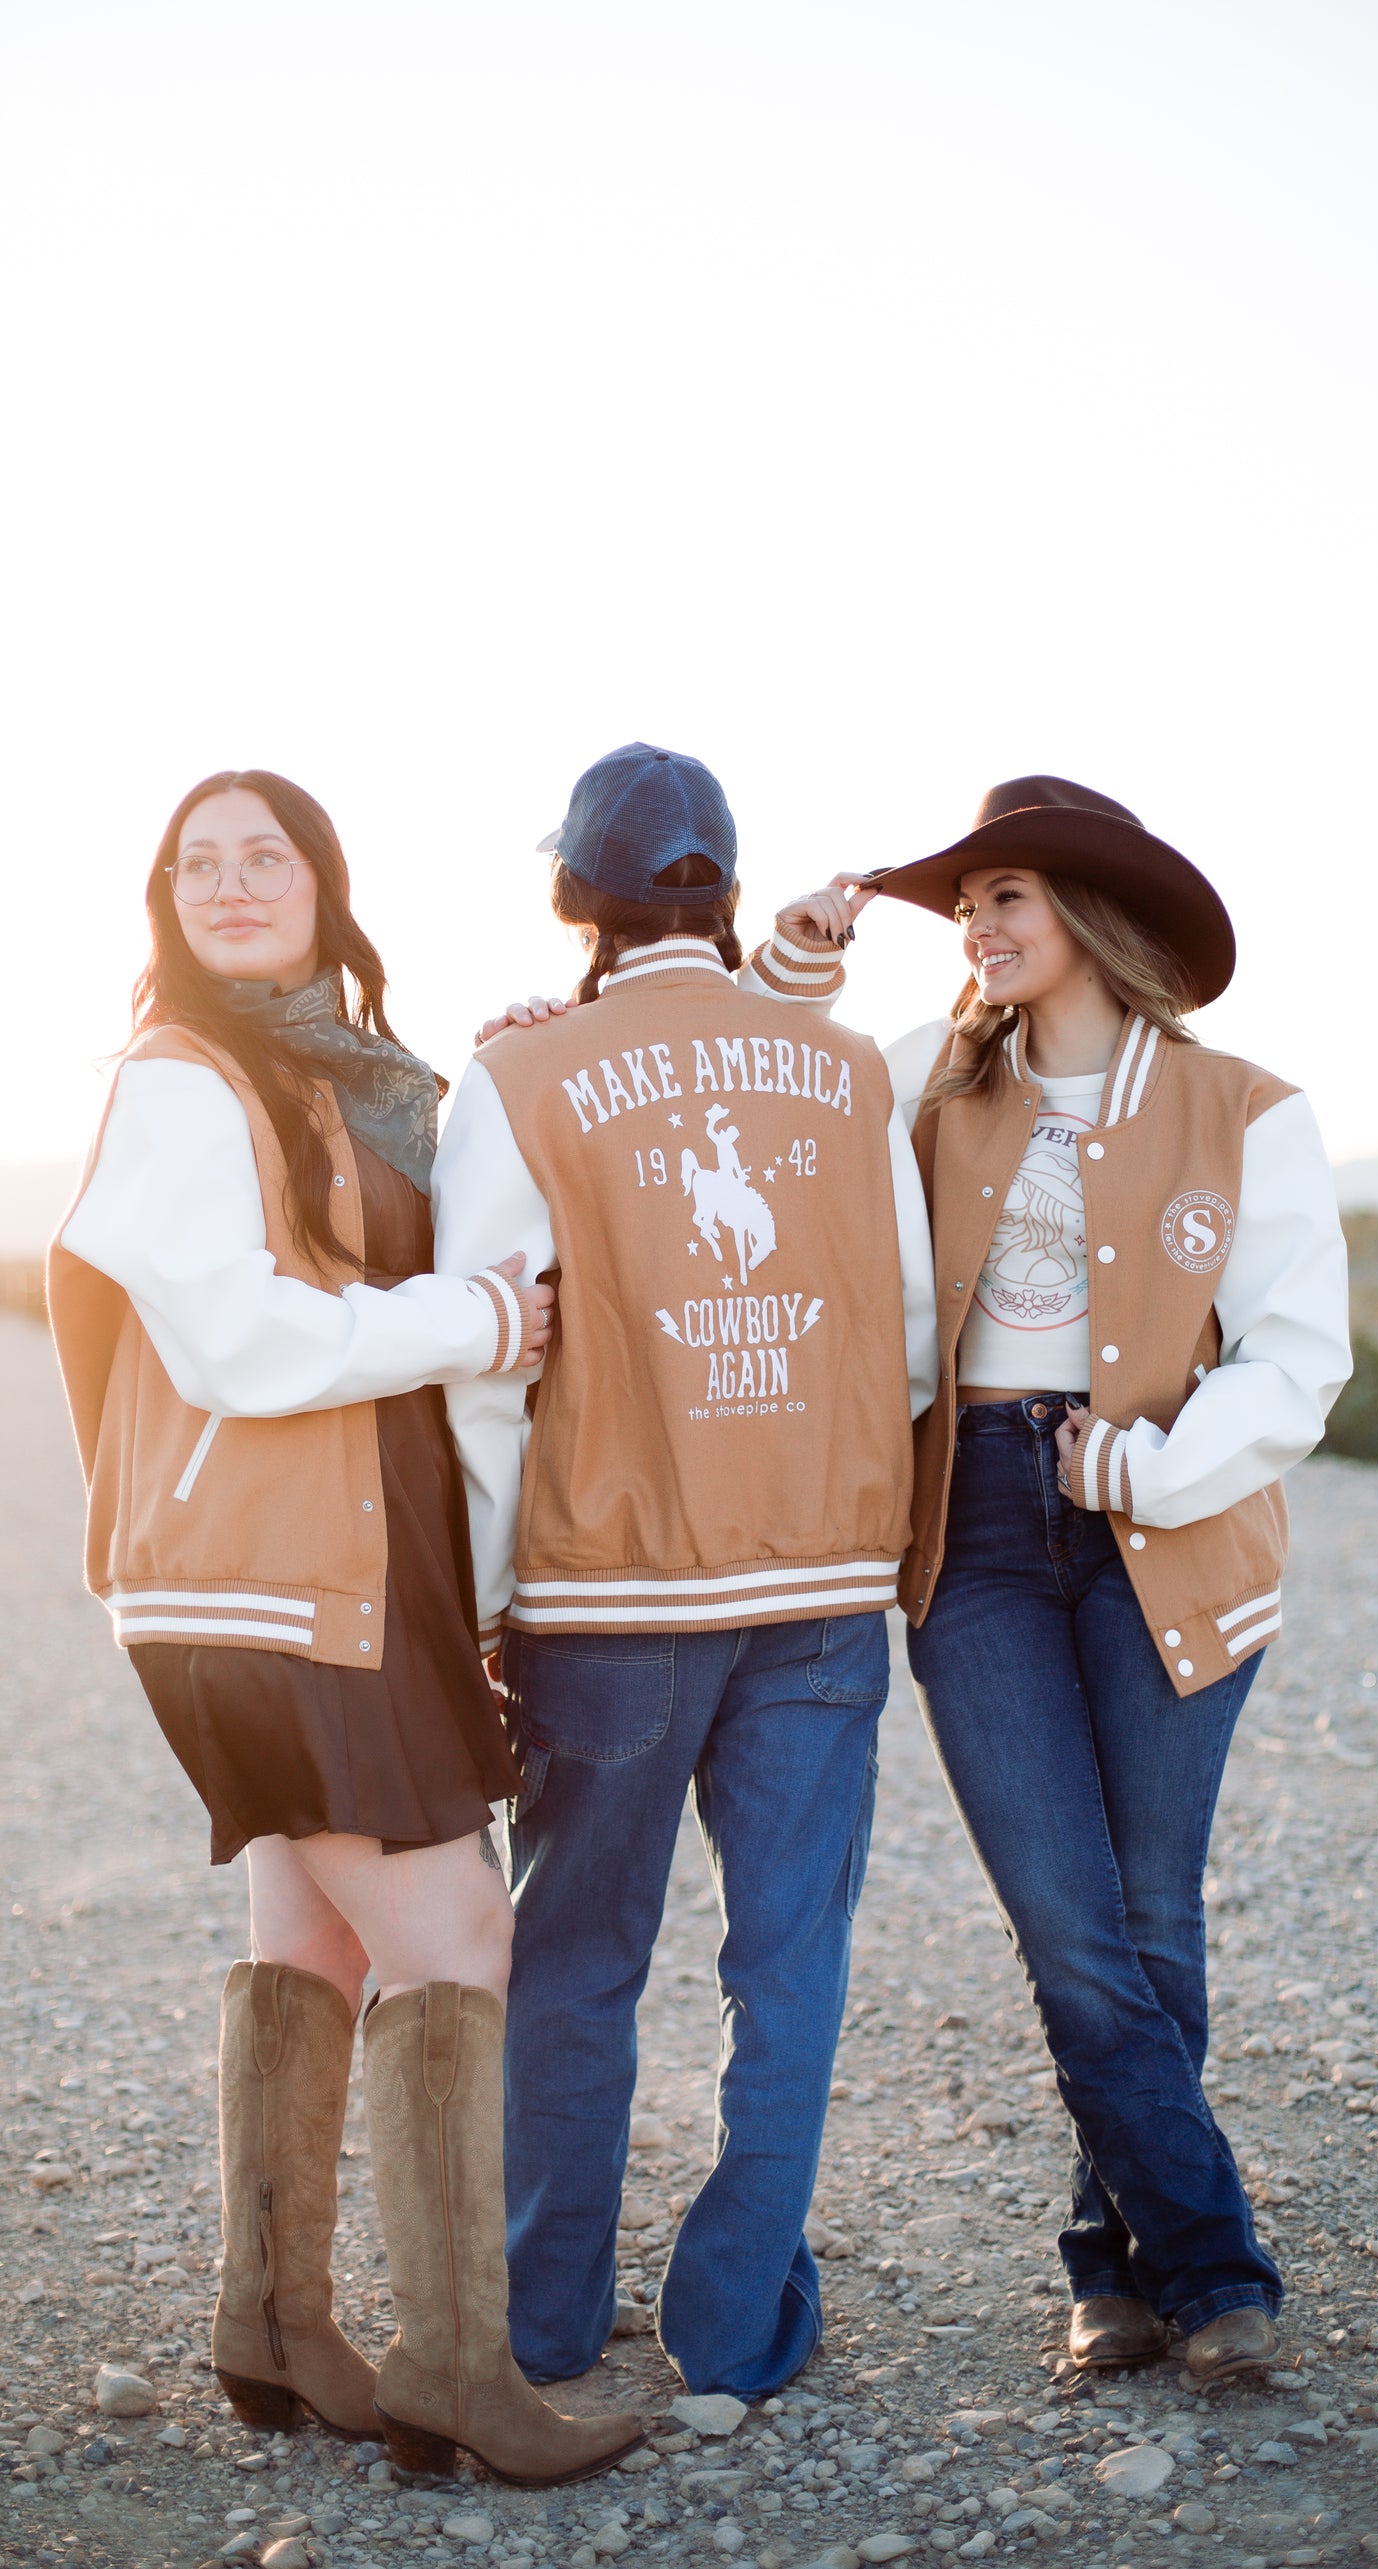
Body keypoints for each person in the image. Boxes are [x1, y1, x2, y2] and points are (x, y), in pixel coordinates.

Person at [48, 769, 640, 2483]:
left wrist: (516, 1056)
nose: (233, 883)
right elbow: (239, 1344)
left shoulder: (328, 1073)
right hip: (265, 1581)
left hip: (326, 1574)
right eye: (197, 863)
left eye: (267, 854)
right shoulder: (179, 1080)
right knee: (460, 1932)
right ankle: (461, 2369)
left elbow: (404, 1205)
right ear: (164, 899)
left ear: (323, 880)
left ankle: (276, 2321)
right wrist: (472, 1317)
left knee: (310, 1934)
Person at [432, 740, 939, 2398]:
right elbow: (915, 1338)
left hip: (609, 1598)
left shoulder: (515, 1078)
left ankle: (546, 2322)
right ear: (720, 892)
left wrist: (490, 1595)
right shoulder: (847, 1070)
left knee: (575, 1963)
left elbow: (483, 1376)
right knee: (788, 1962)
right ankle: (730, 2326)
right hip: (816, 1586)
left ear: (573, 897)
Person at [836, 773, 1350, 2384]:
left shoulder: (1248, 1107)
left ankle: (1111, 2273)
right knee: (1070, 1922)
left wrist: (1142, 1464)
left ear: (1090, 916)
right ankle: (1213, 2269)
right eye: (966, 901)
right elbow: (784, 1125)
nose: (977, 928)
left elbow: (1296, 1358)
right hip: (974, 1531)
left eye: (1007, 896)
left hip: (1166, 1522)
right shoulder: (927, 1085)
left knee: (1145, 1915)